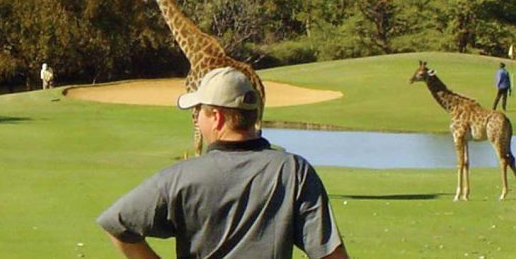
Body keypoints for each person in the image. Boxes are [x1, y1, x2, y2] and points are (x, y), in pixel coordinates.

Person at [97, 67, 348, 259]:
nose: (197, 121)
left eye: (198, 113)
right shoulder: (293, 171)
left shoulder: (180, 176)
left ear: (216, 117)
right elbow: (331, 254)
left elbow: (117, 223)